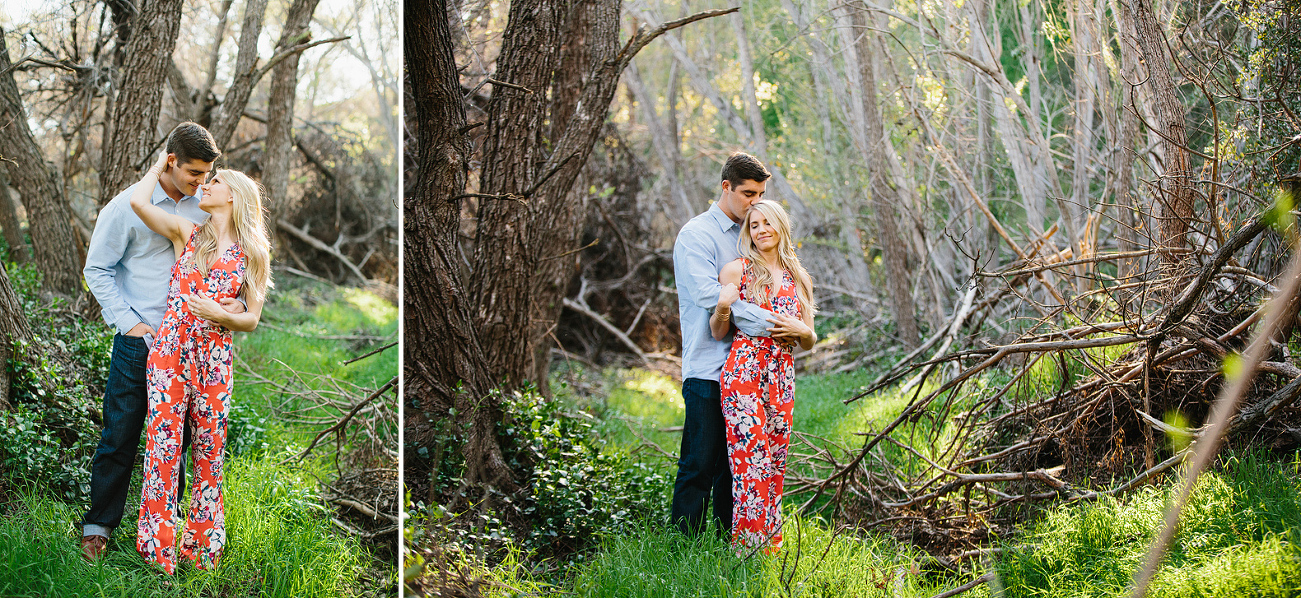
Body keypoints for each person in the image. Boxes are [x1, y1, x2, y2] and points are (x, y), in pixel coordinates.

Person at [80, 122, 246, 562]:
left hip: (191, 349)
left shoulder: (204, 209)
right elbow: (96, 270)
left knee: (178, 443)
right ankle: (98, 528)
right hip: (140, 340)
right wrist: (130, 324)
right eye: (194, 173)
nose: (201, 182)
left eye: (208, 175)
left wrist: (229, 311)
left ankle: (164, 532)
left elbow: (230, 260)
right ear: (171, 162)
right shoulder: (124, 208)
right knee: (120, 435)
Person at [126, 150, 273, 573]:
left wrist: (222, 315)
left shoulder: (253, 252)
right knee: (163, 450)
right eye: (204, 180)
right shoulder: (186, 233)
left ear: (234, 197)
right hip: (169, 356)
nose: (204, 185)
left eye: (215, 182)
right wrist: (158, 165)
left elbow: (252, 318)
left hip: (213, 361)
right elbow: (140, 202)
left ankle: (202, 551)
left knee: (209, 452)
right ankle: (158, 551)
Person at [670, 152, 775, 535]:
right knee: (700, 462)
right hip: (709, 367)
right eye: (749, 193)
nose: (756, 202)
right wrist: (773, 324)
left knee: (735, 465)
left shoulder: (755, 235)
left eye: (761, 194)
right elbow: (706, 294)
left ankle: (724, 543)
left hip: (750, 372)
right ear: (726, 186)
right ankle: (685, 547)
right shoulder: (696, 235)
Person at [712, 199, 816, 554]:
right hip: (743, 372)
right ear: (748, 231)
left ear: (780, 226)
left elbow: (810, 342)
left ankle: (770, 545)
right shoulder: (736, 271)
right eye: (754, 225)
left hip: (781, 377)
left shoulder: (799, 277)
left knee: (774, 460)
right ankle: (746, 547)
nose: (761, 230)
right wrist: (723, 307)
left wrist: (801, 329)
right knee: (750, 459)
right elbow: (717, 331)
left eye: (767, 223)